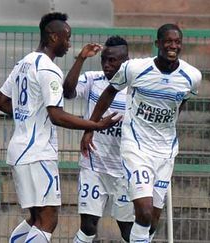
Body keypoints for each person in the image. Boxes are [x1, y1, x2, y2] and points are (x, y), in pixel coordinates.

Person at [0, 12, 120, 243]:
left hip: (19, 150)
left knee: (35, 219)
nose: (69, 43)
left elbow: (0, 102)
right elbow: (57, 116)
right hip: (38, 152)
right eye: (66, 37)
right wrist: (96, 125)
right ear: (53, 37)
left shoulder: (24, 62)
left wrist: (29, 113)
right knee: (48, 220)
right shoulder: (49, 69)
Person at [81, 24, 202, 242]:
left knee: (152, 221)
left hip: (165, 151)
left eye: (177, 42)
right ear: (158, 44)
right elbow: (109, 93)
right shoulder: (136, 69)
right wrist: (91, 127)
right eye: (168, 41)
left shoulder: (192, 76)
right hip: (136, 148)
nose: (173, 46)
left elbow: (181, 101)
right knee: (144, 212)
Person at [62, 36, 134, 243]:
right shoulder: (94, 79)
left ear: (126, 61)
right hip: (94, 166)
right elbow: (68, 92)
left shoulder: (135, 87)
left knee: (127, 230)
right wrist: (81, 59)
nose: (107, 65)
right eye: (104, 59)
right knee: (87, 226)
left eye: (113, 60)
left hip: (123, 170)